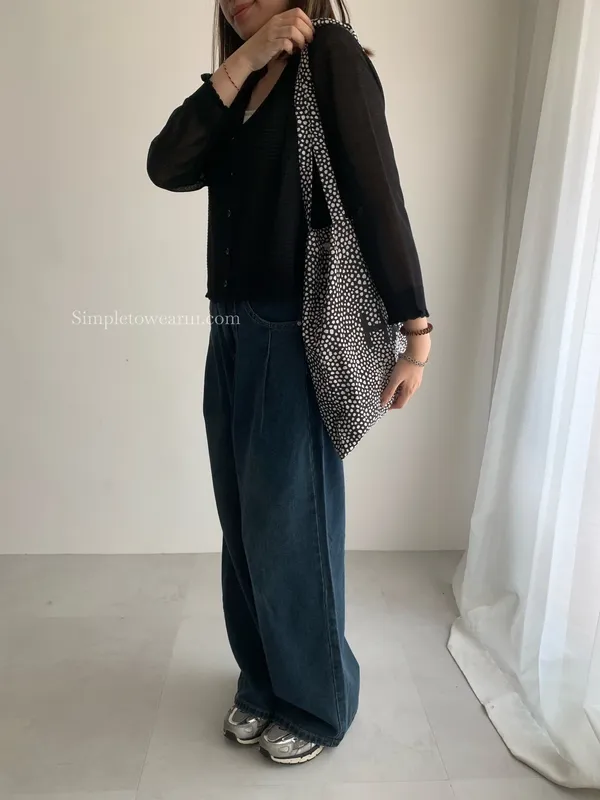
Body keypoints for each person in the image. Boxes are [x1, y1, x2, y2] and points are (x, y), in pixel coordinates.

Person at [147, 0, 432, 766]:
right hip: (231, 329)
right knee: (243, 522)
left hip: (294, 330)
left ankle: (317, 700)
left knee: (291, 527)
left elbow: (377, 189)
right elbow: (167, 165)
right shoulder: (244, 82)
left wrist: (416, 330)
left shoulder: (329, 55)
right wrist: (242, 61)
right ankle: (265, 681)